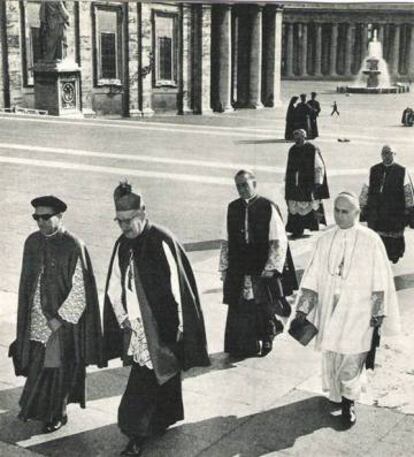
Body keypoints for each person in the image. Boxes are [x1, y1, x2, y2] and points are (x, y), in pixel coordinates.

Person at [103, 180, 209, 457]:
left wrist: (180, 331)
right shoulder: (122, 245)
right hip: (137, 328)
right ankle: (161, 419)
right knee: (157, 376)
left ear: (143, 213)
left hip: (163, 328)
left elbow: (179, 289)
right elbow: (115, 285)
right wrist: (122, 317)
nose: (125, 227)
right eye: (120, 221)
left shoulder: (162, 239)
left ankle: (134, 432)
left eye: (129, 220)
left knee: (146, 381)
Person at [294, 192, 400, 426]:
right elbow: (312, 275)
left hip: (358, 311)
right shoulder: (325, 239)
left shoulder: (370, 239)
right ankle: (335, 394)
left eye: (345, 212)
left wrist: (378, 312)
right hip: (330, 309)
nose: (340, 216)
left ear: (357, 213)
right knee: (332, 353)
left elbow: (380, 279)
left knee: (352, 356)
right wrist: (303, 307)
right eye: (337, 211)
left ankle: (349, 402)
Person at [11, 196, 103, 433]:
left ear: (59, 216)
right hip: (36, 320)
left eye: (45, 217)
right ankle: (39, 408)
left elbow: (80, 290)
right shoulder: (31, 242)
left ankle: (57, 414)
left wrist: (60, 320)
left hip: (60, 323)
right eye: (36, 217)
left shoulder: (73, 245)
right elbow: (26, 283)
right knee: (38, 366)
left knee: (57, 368)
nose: (40, 222)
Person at [219, 170, 298, 359]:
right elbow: (226, 240)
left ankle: (268, 337)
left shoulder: (266, 206)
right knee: (241, 306)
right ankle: (244, 344)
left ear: (254, 184)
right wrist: (224, 266)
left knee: (264, 305)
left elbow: (278, 240)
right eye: (238, 186)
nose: (242, 189)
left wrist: (272, 267)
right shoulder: (232, 208)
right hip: (239, 265)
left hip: (260, 265)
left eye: (245, 185)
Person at [359, 145, 414, 263]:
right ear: (381, 155)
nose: (387, 156)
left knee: (394, 236)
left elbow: (408, 191)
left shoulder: (402, 170)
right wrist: (362, 206)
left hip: (395, 210)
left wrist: (409, 209)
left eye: (390, 153)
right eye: (384, 153)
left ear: (395, 154)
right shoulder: (374, 170)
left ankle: (394, 255)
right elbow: (365, 189)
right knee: (377, 235)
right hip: (377, 210)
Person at [285, 129, 330, 238]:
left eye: (299, 137)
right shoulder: (292, 150)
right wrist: (287, 180)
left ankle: (308, 226)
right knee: (294, 206)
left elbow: (318, 166)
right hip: (294, 184)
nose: (297, 140)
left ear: (304, 137)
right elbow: (289, 166)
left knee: (307, 204)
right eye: (295, 137)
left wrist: (318, 181)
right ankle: (297, 229)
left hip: (307, 183)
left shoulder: (311, 149)